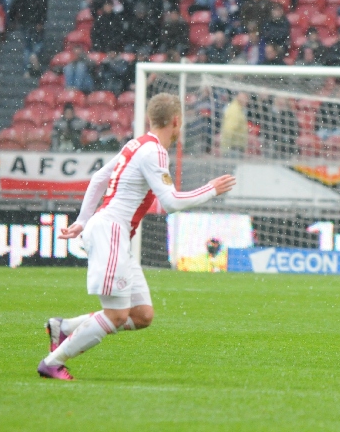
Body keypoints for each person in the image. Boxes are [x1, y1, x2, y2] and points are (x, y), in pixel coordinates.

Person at [38, 93, 236, 380]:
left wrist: (82, 221)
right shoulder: (155, 151)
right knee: (116, 315)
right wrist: (211, 189)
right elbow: (171, 203)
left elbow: (98, 179)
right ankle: (53, 361)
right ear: (176, 121)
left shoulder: (136, 144)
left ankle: (63, 327)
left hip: (114, 232)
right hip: (111, 232)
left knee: (142, 315)